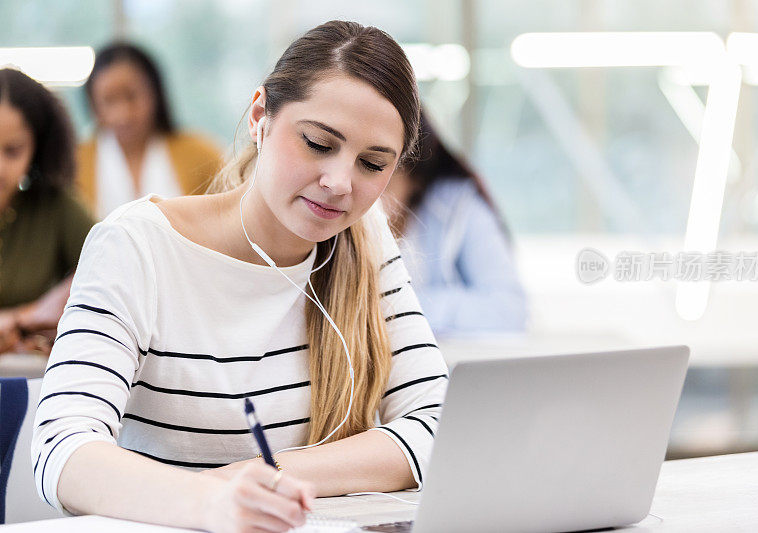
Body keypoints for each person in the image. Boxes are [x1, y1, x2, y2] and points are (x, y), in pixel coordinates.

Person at [33, 21, 448, 533]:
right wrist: (208, 503)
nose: (340, 184)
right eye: (319, 143)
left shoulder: (365, 239)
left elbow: (439, 428)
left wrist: (261, 475)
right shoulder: (137, 245)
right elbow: (61, 451)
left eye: (372, 163)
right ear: (260, 117)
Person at [383, 110, 528, 336]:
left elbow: (509, 310)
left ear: (415, 179)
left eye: (374, 166)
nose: (361, 192)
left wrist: (393, 310)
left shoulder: (459, 208)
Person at [0, 68, 95, 355]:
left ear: (38, 149)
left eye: (13, 151)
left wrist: (29, 315)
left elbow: (116, 263)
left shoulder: (56, 206)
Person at [77, 42, 223, 218]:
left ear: (155, 92)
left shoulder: (202, 155)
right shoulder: (75, 163)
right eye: (109, 100)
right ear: (92, 103)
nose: (123, 114)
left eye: (131, 96)